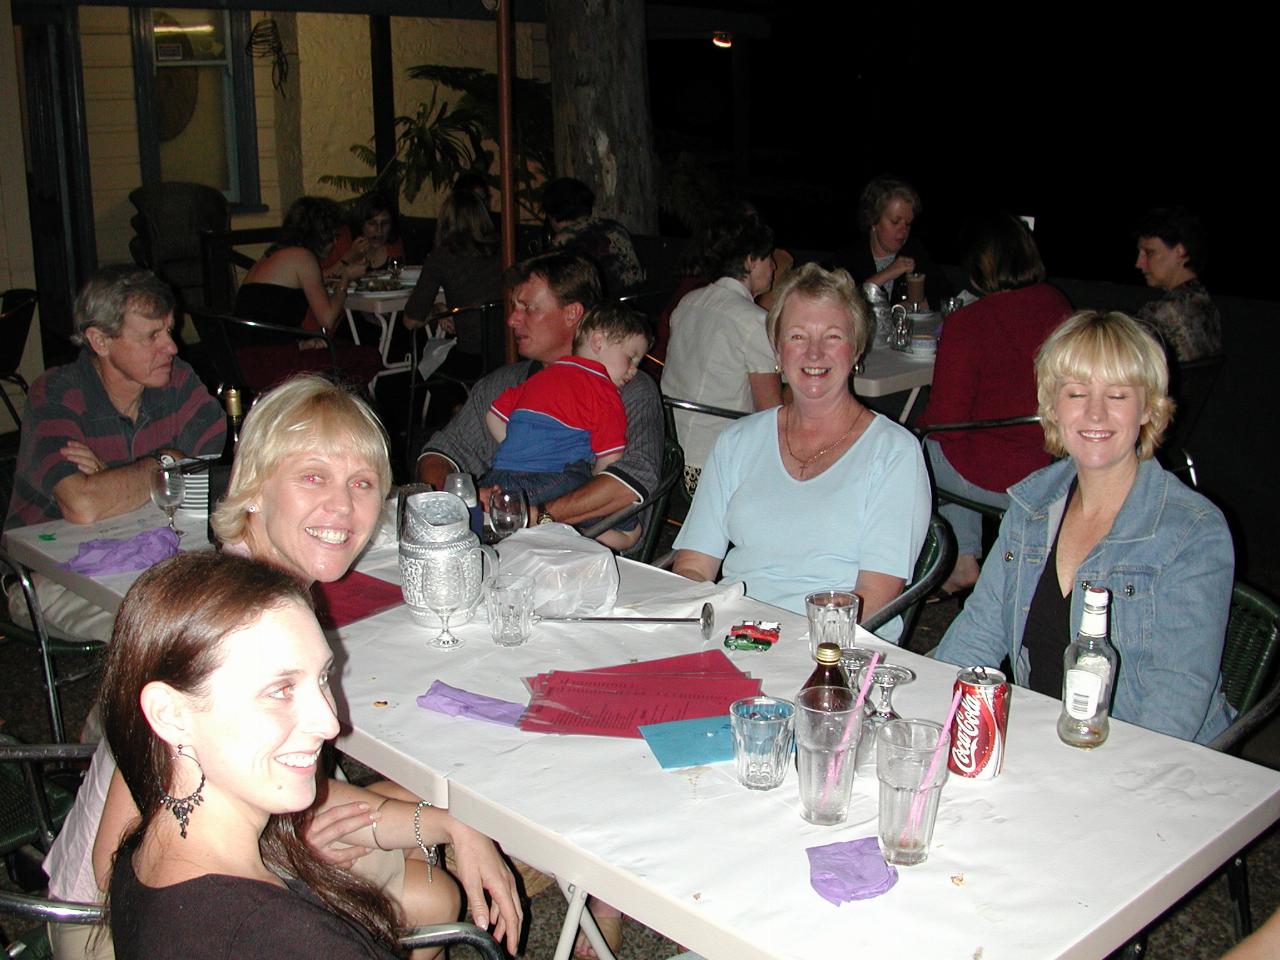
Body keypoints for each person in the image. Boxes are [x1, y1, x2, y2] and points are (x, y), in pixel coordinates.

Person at [43, 377, 520, 960]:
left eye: (363, 482)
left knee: (428, 883)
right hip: (114, 925)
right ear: (252, 488)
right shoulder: (216, 624)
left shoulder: (273, 600)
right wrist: (444, 822)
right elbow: (117, 859)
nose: (343, 506)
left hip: (237, 850)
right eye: (313, 476)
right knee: (425, 882)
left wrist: (449, 821)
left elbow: (297, 794)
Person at [101, 552, 517, 959]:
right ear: (171, 714)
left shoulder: (150, 849)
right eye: (280, 690)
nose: (330, 723)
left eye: (322, 678)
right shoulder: (289, 938)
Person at [933, 311, 1234, 744]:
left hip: (1143, 765)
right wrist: (928, 721)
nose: (1095, 413)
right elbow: (977, 635)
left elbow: (1173, 707)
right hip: (1039, 742)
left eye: (1117, 395)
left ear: (1148, 406)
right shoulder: (1032, 506)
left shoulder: (1192, 533)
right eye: (1076, 393)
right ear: (1053, 406)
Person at [671, 262, 931, 641]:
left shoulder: (893, 453)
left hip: (836, 654)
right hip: (737, 638)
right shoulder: (737, 442)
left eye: (832, 337)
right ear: (777, 350)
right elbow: (694, 565)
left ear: (856, 348)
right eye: (797, 336)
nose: (813, 353)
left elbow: (875, 596)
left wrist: (787, 647)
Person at [4, 266, 225, 642]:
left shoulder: (177, 379)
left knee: (238, 607)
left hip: (152, 555)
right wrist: (165, 461)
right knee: (165, 634)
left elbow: (215, 467)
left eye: (168, 330)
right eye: (152, 336)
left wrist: (113, 478)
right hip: (50, 578)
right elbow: (83, 504)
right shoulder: (57, 393)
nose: (171, 346)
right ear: (100, 342)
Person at [416, 252, 662, 552]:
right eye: (513, 307)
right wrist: (454, 503)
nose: (511, 319)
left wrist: (537, 515)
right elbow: (441, 454)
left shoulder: (630, 389)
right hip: (505, 549)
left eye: (527, 308)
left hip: (588, 561)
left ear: (572, 314)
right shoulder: (504, 384)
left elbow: (632, 479)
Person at [918, 213, 1072, 595]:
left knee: (914, 450)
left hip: (1006, 478)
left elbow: (945, 423)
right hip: (1058, 467)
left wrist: (915, 428)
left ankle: (951, 561)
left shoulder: (969, 323)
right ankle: (964, 560)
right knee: (956, 446)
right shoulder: (1057, 304)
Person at [661, 206, 784, 491]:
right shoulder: (753, 322)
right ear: (751, 261)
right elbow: (771, 415)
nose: (775, 267)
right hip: (710, 467)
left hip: (669, 458)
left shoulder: (688, 302)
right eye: (769, 258)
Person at [234, 196, 383, 391]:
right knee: (368, 357)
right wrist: (346, 278)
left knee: (333, 348)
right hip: (271, 364)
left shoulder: (274, 254)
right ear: (323, 234)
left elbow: (318, 278)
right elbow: (328, 319)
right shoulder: (303, 258)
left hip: (242, 359)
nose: (335, 241)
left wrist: (301, 345)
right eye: (334, 235)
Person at [403, 187, 504, 382]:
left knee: (427, 370)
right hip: (509, 352)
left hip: (472, 357)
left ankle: (453, 408)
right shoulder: (505, 249)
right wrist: (445, 310)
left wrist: (436, 311)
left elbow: (411, 320)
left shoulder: (442, 257)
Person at [831, 175, 953, 307]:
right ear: (873, 219)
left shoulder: (914, 253)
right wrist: (887, 274)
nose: (903, 231)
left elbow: (947, 295)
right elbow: (838, 302)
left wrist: (916, 306)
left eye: (908, 224)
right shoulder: (849, 258)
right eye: (895, 222)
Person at [1134, 206, 1223, 362]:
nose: (1139, 263)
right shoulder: (1204, 302)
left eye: (1149, 253)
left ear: (1180, 251)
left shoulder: (1165, 313)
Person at [542, 177, 646, 294]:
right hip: (632, 301)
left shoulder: (564, 240)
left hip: (600, 307)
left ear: (552, 212)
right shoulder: (614, 227)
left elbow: (557, 286)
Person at [324, 190, 405, 274]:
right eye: (372, 223)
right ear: (361, 223)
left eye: (385, 223)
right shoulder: (342, 238)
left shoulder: (394, 243)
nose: (379, 230)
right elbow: (321, 278)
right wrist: (350, 256)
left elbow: (399, 277)